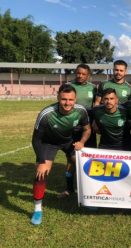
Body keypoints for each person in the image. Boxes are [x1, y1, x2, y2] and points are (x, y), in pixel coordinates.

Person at [31, 84, 91, 225]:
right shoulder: (46, 114)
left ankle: (83, 196)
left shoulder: (81, 111)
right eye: (64, 99)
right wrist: (40, 160)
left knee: (84, 165)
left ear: (75, 99)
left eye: (71, 99)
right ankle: (37, 209)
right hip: (48, 143)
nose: (67, 103)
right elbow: (36, 139)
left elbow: (87, 129)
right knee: (42, 173)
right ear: (58, 97)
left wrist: (82, 141)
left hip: (69, 142)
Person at [60, 64, 97, 198]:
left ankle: (90, 189)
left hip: (87, 128)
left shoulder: (93, 88)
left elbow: (95, 107)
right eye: (78, 73)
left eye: (83, 74)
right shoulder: (68, 86)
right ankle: (69, 189)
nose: (80, 76)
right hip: (72, 129)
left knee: (91, 158)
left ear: (88, 75)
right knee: (71, 159)